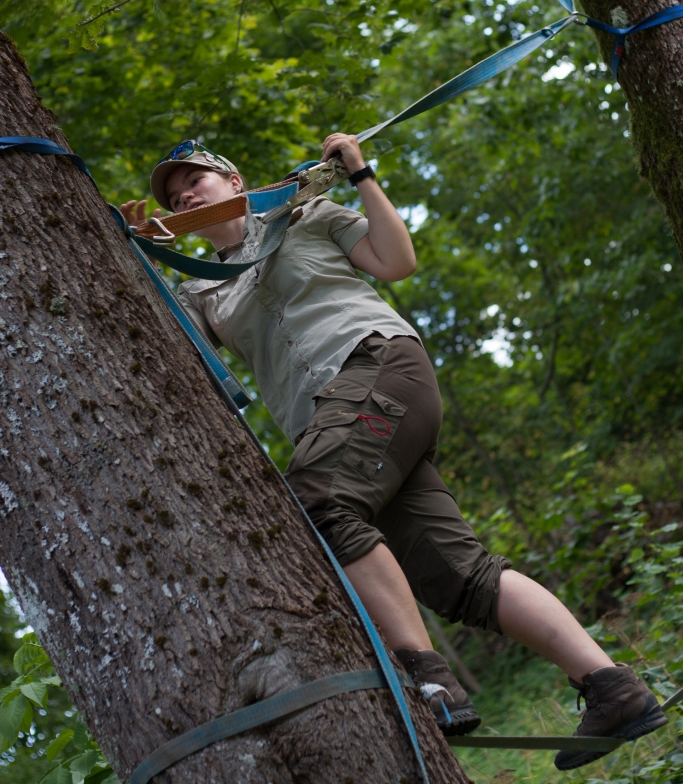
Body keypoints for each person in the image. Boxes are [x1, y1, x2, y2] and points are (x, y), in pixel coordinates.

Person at [121, 134, 667, 770]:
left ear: (235, 181)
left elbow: (395, 261)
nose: (184, 193)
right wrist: (143, 254)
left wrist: (361, 174)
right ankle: (613, 688)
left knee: (316, 502)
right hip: (333, 427)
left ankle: (428, 679)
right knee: (456, 575)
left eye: (195, 180)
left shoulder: (307, 216)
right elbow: (182, 363)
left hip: (378, 365)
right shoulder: (203, 292)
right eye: (173, 192)